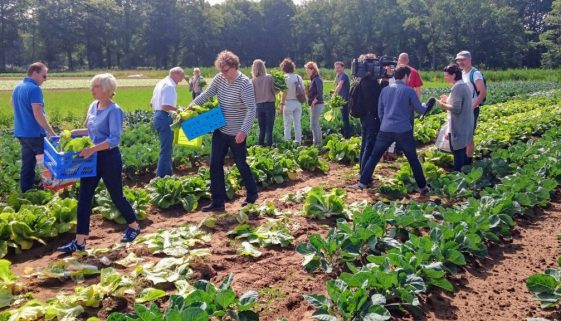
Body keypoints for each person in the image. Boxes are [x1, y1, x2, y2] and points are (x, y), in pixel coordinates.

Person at [58, 74, 141, 253]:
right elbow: (89, 130)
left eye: (96, 86)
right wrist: (71, 133)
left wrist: (92, 149)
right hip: (92, 158)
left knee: (116, 195)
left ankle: (134, 226)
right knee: (84, 197)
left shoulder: (114, 110)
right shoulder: (92, 106)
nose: (92, 89)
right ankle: (80, 241)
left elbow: (114, 139)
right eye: (92, 86)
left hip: (109, 158)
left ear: (107, 89)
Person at [190, 50, 258, 212]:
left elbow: (251, 108)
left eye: (226, 70)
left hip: (237, 133)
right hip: (220, 129)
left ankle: (252, 193)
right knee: (214, 165)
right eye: (221, 71)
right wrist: (191, 106)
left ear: (235, 67)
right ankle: (218, 202)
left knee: (241, 164)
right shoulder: (220, 79)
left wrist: (244, 131)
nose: (223, 74)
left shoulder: (245, 83)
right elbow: (207, 94)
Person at [355, 66, 430, 195]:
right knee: (413, 159)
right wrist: (426, 105)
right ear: (406, 76)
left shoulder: (385, 90)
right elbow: (421, 110)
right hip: (403, 130)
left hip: (385, 129)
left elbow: (380, 111)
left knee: (374, 156)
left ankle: (362, 183)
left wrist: (385, 122)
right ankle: (423, 187)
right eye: (409, 77)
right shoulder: (409, 91)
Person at [11, 62, 56, 192]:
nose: (45, 80)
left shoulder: (18, 87)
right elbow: (38, 114)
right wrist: (51, 133)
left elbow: (12, 104)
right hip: (35, 135)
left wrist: (23, 115)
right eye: (44, 76)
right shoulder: (35, 89)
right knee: (46, 165)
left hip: (21, 133)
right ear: (34, 73)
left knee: (28, 165)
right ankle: (50, 190)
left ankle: (25, 192)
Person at [350, 53, 386, 175]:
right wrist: (384, 84)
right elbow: (376, 99)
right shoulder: (370, 83)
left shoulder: (359, 80)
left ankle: (362, 171)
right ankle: (365, 174)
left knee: (364, 144)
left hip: (364, 116)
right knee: (369, 147)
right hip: (371, 116)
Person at [436, 64, 474, 171]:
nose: (445, 77)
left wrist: (441, 105)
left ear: (453, 75)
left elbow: (456, 109)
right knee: (461, 150)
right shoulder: (462, 85)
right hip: (465, 123)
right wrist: (447, 99)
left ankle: (458, 174)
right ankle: (465, 173)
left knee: (458, 151)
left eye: (446, 75)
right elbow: (458, 103)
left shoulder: (458, 87)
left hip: (460, 125)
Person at [150, 67, 184, 178]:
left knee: (165, 147)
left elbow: (151, 103)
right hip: (165, 117)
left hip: (157, 115)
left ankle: (167, 173)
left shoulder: (161, 83)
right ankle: (163, 176)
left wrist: (175, 107)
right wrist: (179, 110)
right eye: (181, 77)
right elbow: (165, 106)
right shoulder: (169, 86)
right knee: (166, 149)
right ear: (176, 74)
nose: (180, 80)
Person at [455, 50, 486, 164]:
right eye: (458, 60)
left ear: (469, 59)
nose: (460, 62)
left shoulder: (475, 73)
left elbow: (482, 92)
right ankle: (463, 158)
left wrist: (472, 106)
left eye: (463, 59)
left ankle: (468, 161)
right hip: (461, 109)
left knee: (468, 136)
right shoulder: (462, 73)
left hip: (470, 109)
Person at [252, 59, 278, 146]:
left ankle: (260, 147)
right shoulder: (269, 78)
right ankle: (269, 148)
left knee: (261, 129)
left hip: (258, 106)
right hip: (269, 105)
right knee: (269, 129)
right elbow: (275, 92)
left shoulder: (253, 81)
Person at [279, 58, 303, 144]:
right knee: (297, 124)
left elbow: (284, 92)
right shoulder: (298, 77)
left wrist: (281, 105)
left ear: (283, 68)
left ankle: (288, 144)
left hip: (288, 103)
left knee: (287, 125)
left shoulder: (284, 78)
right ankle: (298, 143)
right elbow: (303, 90)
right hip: (298, 103)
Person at [305, 61, 324, 146]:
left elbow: (319, 93)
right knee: (315, 124)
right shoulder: (314, 79)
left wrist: (314, 101)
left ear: (312, 69)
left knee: (313, 124)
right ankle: (318, 143)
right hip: (315, 104)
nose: (306, 71)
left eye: (307, 69)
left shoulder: (317, 79)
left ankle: (316, 143)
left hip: (317, 104)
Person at [333, 61, 351, 138]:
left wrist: (334, 95)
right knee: (343, 117)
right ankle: (346, 134)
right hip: (340, 100)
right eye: (336, 68)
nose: (337, 69)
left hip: (344, 100)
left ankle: (347, 135)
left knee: (345, 118)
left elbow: (340, 85)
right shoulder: (338, 75)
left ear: (343, 68)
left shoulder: (344, 76)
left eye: (339, 67)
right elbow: (336, 86)